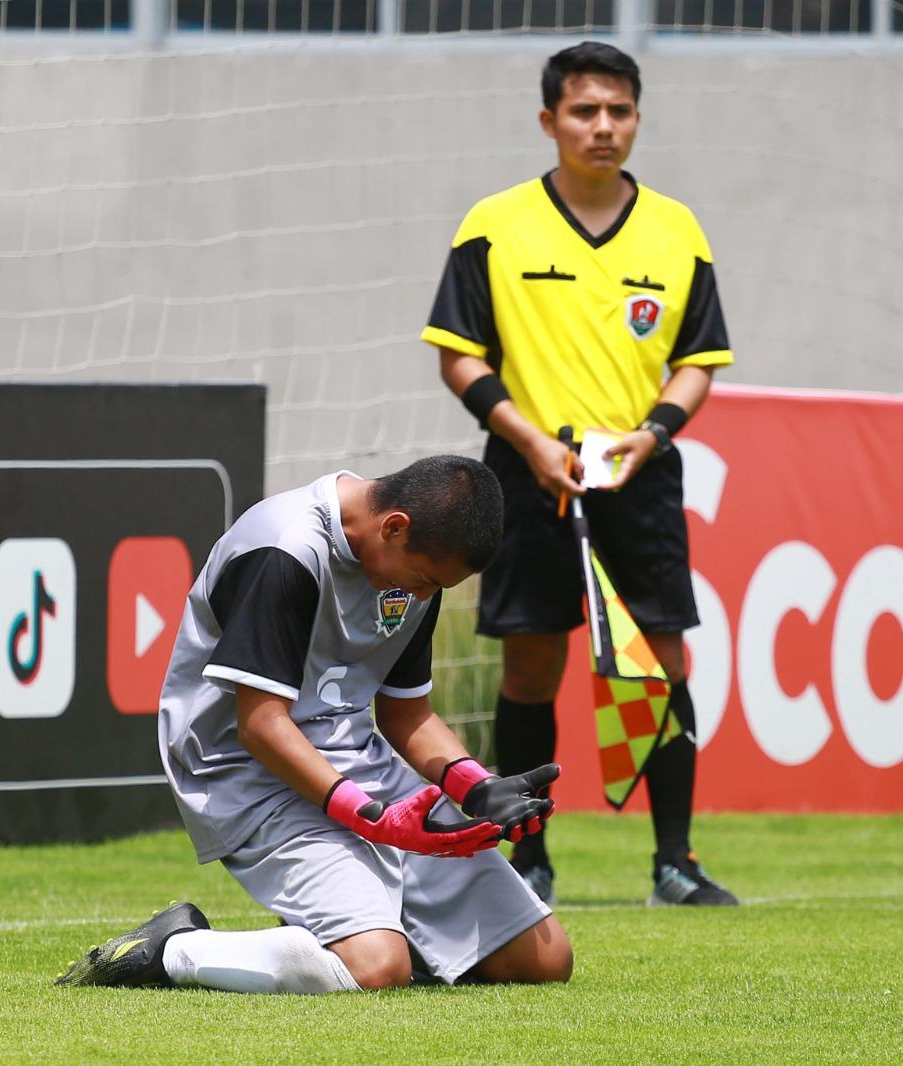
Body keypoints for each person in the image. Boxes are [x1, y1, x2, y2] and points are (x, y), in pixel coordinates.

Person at [55, 455, 573, 993]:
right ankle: (168, 950)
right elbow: (259, 725)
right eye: (423, 580)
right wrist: (371, 816)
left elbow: (406, 713)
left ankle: (337, 932)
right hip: (245, 771)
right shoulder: (284, 549)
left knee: (544, 958)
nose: (421, 595)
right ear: (394, 526)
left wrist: (477, 786)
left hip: (353, 763)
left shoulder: (416, 562)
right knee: (376, 967)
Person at [420, 42, 737, 907]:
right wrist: (528, 442)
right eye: (584, 111)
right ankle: (527, 860)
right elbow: (459, 356)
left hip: (638, 473)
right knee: (531, 667)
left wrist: (652, 435)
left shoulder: (677, 230)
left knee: (662, 662)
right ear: (549, 120)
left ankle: (676, 863)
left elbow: (699, 361)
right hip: (527, 473)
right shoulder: (494, 223)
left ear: (637, 118)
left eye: (619, 112)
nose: (603, 127)